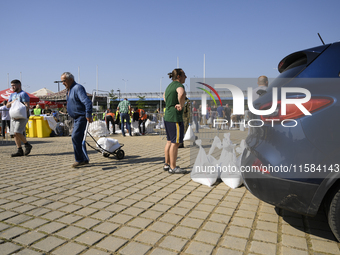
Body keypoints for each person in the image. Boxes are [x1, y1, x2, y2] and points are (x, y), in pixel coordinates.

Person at [61, 72, 93, 168]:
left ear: (71, 79)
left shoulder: (78, 88)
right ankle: (84, 159)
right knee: (78, 138)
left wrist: (88, 114)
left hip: (81, 117)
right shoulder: (69, 90)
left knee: (75, 137)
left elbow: (87, 102)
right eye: (62, 81)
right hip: (75, 118)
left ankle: (80, 159)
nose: (63, 83)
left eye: (64, 81)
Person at [163, 68, 187, 174]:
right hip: (174, 117)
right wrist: (181, 105)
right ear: (178, 77)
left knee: (169, 141)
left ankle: (167, 164)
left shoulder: (169, 86)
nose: (185, 77)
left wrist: (170, 103)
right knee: (175, 143)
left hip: (167, 115)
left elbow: (164, 96)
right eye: (184, 75)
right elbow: (181, 94)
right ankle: (173, 167)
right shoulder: (179, 85)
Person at [6, 79, 33, 157]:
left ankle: (27, 145)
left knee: (17, 132)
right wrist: (12, 102)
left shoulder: (23, 94)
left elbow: (27, 106)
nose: (12, 87)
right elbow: (7, 105)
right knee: (14, 134)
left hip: (22, 117)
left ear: (19, 85)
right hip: (13, 117)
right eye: (11, 86)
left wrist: (21, 114)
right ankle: (19, 150)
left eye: (14, 86)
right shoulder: (12, 95)